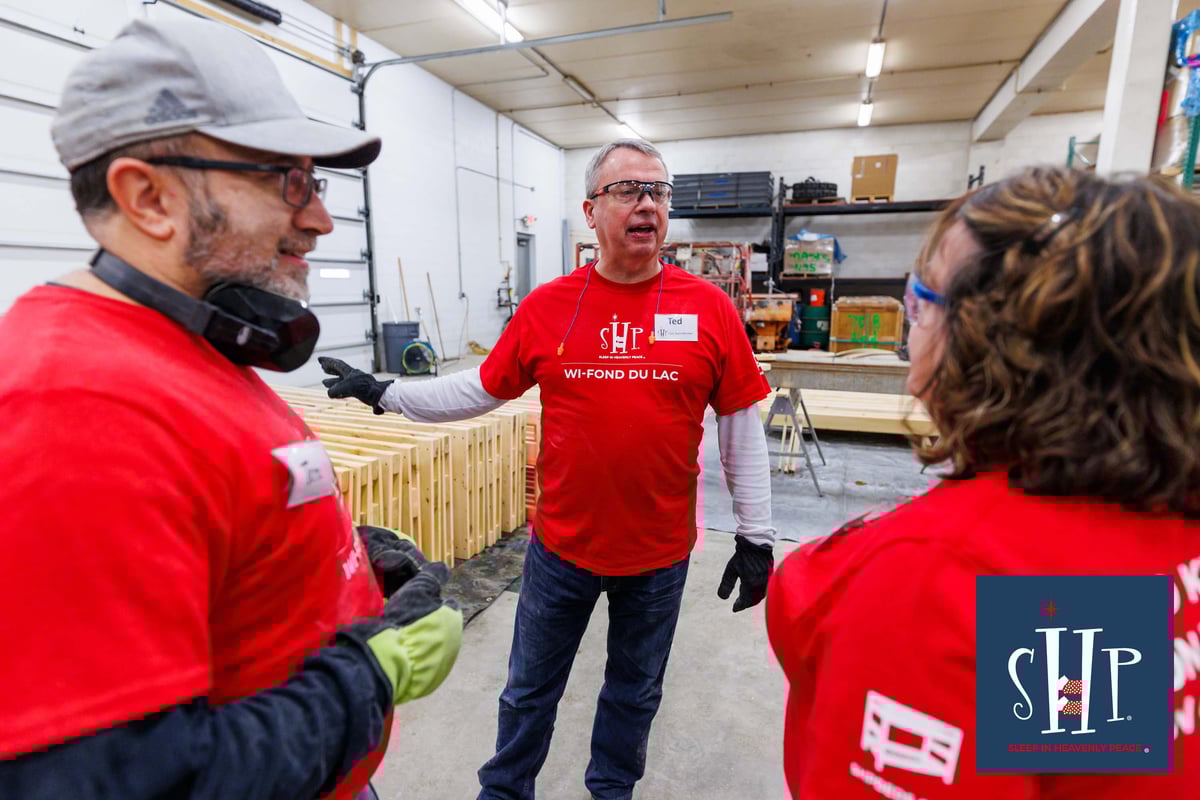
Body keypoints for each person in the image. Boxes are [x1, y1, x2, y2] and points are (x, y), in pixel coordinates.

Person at [0, 17, 462, 800]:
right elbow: (125, 782)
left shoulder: (185, 342)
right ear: (150, 197)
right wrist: (368, 675)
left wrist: (336, 556)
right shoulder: (73, 406)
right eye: (289, 181)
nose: (319, 218)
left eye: (317, 183)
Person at [320, 138, 776, 799]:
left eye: (657, 191)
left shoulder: (708, 308)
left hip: (658, 555)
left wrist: (756, 536)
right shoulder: (548, 307)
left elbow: (739, 425)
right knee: (529, 689)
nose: (646, 203)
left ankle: (611, 789)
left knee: (635, 691)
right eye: (627, 190)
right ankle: (506, 791)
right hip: (560, 549)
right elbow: (478, 389)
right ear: (591, 212)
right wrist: (384, 391)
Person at [766, 165, 1200, 798]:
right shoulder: (1138, 542)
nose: (912, 326)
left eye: (923, 298)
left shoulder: (947, 579)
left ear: (990, 341)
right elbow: (1083, 758)